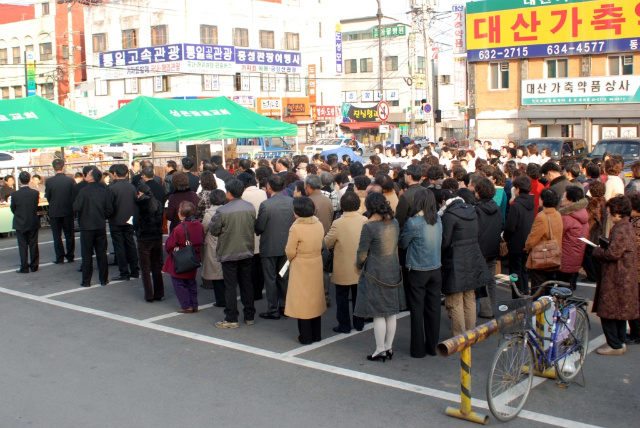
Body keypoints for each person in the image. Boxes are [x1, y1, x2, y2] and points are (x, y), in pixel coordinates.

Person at [354, 193, 405, 362]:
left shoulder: (369, 227)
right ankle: (388, 347)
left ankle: (380, 349)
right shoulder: (395, 222)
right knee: (391, 312)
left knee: (378, 313)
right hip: (392, 267)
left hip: (375, 271)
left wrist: (359, 266)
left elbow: (362, 252)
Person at [593, 196, 639, 355]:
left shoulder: (621, 229)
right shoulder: (626, 226)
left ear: (617, 212)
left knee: (609, 312)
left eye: (610, 212)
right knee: (618, 313)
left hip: (616, 276)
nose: (609, 215)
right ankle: (619, 343)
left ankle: (614, 345)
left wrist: (598, 250)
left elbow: (612, 253)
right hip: (623, 275)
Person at [399, 190, 442, 357]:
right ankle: (433, 346)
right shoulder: (438, 220)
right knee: (434, 308)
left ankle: (418, 349)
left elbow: (403, 243)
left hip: (417, 269)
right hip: (435, 267)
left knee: (417, 310)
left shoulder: (413, 223)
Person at [440, 190, 489, 337]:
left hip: (455, 260)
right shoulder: (473, 212)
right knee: (470, 298)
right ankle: (471, 333)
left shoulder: (449, 216)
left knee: (456, 301)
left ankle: (459, 336)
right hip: (473, 257)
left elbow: (444, 242)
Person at [210, 179, 257, 329]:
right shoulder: (250, 207)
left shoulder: (222, 211)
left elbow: (214, 230)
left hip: (229, 251)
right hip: (246, 250)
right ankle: (249, 315)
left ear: (228, 193)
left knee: (230, 286)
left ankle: (231, 317)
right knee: (246, 283)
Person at [284, 196, 327, 344]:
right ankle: (316, 334)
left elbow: (290, 250)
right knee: (315, 298)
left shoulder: (296, 228)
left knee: (302, 301)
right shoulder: (319, 224)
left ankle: (305, 336)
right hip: (316, 261)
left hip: (301, 264)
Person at [324, 191, 367, 333]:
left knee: (342, 297)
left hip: (342, 265)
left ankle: (344, 324)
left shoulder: (338, 223)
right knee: (358, 295)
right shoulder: (364, 221)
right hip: (360, 264)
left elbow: (327, 242)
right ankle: (359, 322)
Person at [255, 174, 294, 320]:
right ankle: (284, 306)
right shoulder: (291, 202)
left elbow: (259, 226)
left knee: (270, 279)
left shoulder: (266, 204)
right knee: (284, 276)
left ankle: (273, 309)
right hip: (286, 245)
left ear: (269, 187)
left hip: (269, 246)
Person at [162, 201, 204, 313]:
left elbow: (168, 245)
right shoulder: (199, 225)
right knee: (191, 282)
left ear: (181, 213)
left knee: (179, 282)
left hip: (181, 258)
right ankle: (194, 304)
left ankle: (186, 305)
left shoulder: (179, 228)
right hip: (194, 257)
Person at [73, 168, 112, 287]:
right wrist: (102, 215)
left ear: (91, 177)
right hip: (100, 225)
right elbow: (109, 210)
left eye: (88, 174)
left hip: (86, 226)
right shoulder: (103, 191)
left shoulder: (84, 191)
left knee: (87, 254)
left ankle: (86, 280)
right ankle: (103, 279)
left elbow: (76, 207)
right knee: (101, 253)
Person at [524, 188, 564, 294]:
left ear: (543, 200)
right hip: (554, 256)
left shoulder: (542, 217)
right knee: (549, 291)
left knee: (538, 292)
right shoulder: (557, 214)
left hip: (541, 258)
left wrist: (528, 248)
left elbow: (532, 241)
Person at [474, 178, 503, 312]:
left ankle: (485, 309)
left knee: (480, 281)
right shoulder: (496, 208)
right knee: (491, 280)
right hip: (493, 247)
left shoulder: (477, 209)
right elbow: (502, 225)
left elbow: (476, 229)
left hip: (480, 249)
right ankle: (493, 306)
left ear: (479, 193)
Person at [503, 176, 535, 297]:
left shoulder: (516, 205)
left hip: (515, 242)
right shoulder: (531, 203)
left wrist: (505, 237)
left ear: (517, 189)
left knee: (515, 272)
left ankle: (517, 297)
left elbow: (510, 227)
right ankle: (525, 294)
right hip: (527, 241)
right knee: (524, 270)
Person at [305, 174, 334, 306]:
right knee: (324, 271)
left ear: (309, 187)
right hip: (326, 238)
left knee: (313, 272)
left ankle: (316, 298)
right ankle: (325, 297)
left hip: (312, 240)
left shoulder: (309, 201)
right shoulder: (327, 200)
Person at [238, 172, 268, 301]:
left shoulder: (243, 196)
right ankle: (259, 290)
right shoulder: (262, 192)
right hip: (262, 233)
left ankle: (252, 292)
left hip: (248, 234)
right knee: (259, 266)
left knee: (249, 268)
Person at [107, 164, 139, 281]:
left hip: (116, 220)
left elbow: (109, 207)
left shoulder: (112, 188)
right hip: (130, 219)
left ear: (114, 174)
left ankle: (124, 272)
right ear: (126, 173)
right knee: (130, 243)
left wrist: (108, 216)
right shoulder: (131, 187)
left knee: (119, 246)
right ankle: (135, 270)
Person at [135, 184, 165, 302]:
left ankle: (149, 294)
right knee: (156, 266)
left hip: (144, 238)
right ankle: (159, 292)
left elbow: (136, 221)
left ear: (140, 193)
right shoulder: (157, 203)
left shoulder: (139, 204)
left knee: (145, 268)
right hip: (157, 237)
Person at [557, 186, 589, 290]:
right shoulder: (583, 214)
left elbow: (557, 235)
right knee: (569, 287)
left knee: (562, 289)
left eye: (564, 197)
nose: (562, 199)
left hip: (565, 258)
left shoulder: (567, 217)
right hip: (576, 257)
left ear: (570, 200)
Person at [45, 159, 76, 264]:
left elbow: (48, 196)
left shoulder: (49, 181)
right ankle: (70, 255)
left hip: (55, 210)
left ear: (53, 168)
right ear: (63, 167)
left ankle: (60, 257)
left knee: (57, 236)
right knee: (69, 234)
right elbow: (74, 195)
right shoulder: (70, 180)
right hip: (67, 210)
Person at [201, 190, 227, 306]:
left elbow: (204, 229)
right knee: (225, 272)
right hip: (226, 243)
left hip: (213, 244)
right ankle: (226, 298)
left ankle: (220, 300)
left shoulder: (209, 214)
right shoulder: (228, 210)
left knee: (216, 274)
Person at [10, 171, 40, 273]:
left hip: (20, 221)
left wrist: (18, 215)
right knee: (33, 243)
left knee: (22, 245)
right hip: (32, 220)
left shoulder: (15, 194)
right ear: (29, 180)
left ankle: (24, 266)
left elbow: (13, 208)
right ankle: (34, 265)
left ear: (19, 181)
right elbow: (35, 206)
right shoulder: (35, 193)